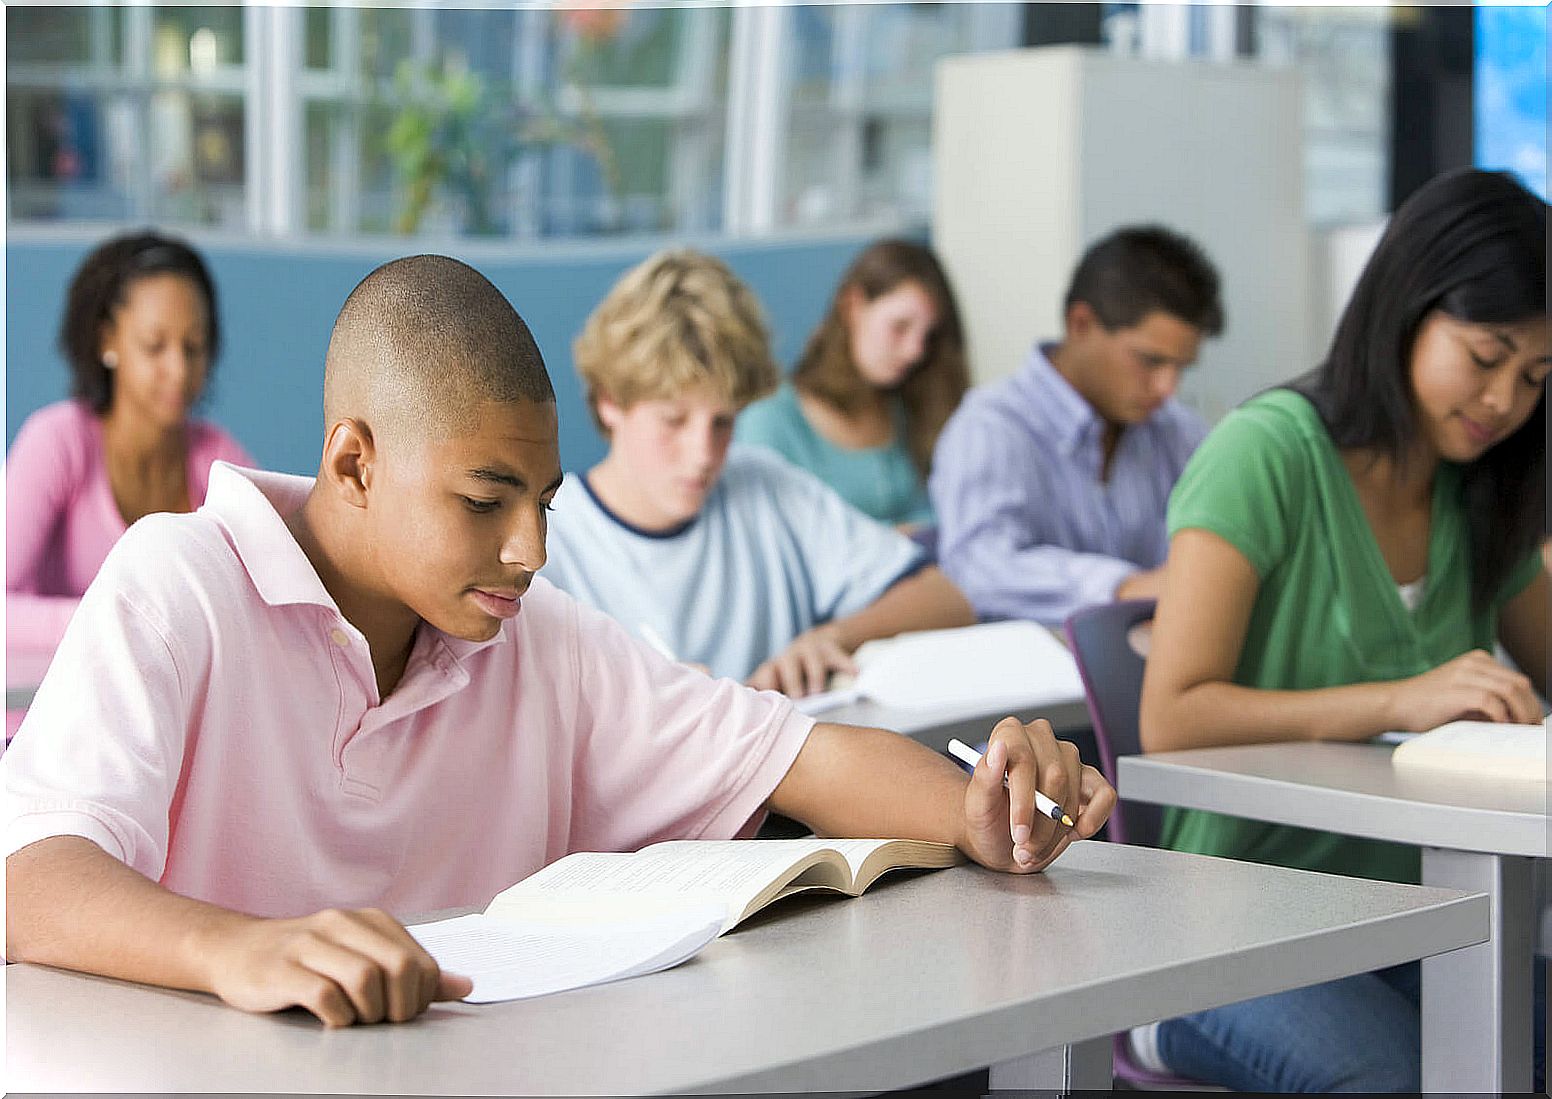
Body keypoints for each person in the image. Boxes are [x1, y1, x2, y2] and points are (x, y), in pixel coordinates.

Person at [3, 254, 1116, 1028]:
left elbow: (807, 758)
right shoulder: (179, 579)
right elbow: (28, 879)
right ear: (353, 463)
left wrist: (985, 811)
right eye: (486, 501)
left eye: (543, 500)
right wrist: (236, 948)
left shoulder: (537, 641)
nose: (529, 548)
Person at [1137, 168, 1548, 1091]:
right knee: (1394, 1080)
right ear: (1406, 308)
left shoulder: (1483, 485)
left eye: (1536, 377)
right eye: (1485, 358)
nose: (1503, 402)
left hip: (1420, 917)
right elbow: (1173, 714)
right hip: (1227, 927)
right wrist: (1403, 699)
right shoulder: (1267, 452)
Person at [542, 249, 976, 698]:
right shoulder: (552, 542)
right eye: (673, 420)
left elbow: (946, 599)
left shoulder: (765, 487)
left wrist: (830, 638)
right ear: (610, 401)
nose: (703, 454)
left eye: (723, 422)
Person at [929, 226, 1223, 627]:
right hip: (1035, 680)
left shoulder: (1177, 432)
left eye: (1180, 368)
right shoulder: (991, 427)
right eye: (1150, 361)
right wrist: (1124, 588)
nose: (1167, 388)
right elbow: (978, 569)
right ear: (1081, 323)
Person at [7, 231, 252, 666]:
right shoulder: (57, 442)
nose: (178, 369)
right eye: (154, 346)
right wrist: (131, 619)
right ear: (107, 341)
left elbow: (267, 591)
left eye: (193, 347)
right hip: (37, 722)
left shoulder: (217, 459)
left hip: (164, 727)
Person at [735, 239, 968, 530]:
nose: (915, 351)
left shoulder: (909, 407)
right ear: (853, 307)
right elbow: (773, 540)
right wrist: (894, 539)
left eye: (927, 335)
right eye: (900, 327)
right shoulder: (771, 420)